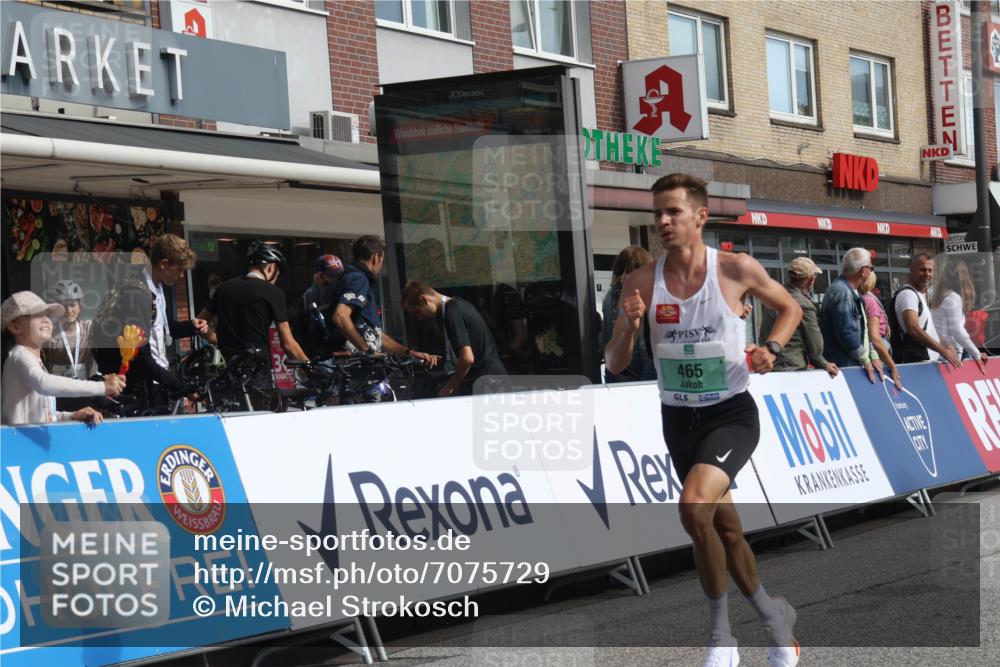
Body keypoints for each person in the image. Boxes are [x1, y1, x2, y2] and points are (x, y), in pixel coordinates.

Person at [605, 173, 803, 667]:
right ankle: (774, 618)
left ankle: (721, 638)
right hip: (679, 420)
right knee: (724, 530)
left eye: (673, 212)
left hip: (731, 413)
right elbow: (614, 362)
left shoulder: (735, 269)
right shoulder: (640, 281)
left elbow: (790, 307)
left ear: (700, 216)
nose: (663, 222)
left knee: (694, 508)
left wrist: (772, 349)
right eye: (657, 214)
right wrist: (629, 327)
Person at [2, 291, 125, 426]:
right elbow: (44, 383)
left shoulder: (33, 361)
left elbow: (45, 414)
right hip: (19, 446)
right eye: (36, 314)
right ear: (14, 326)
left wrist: (71, 415)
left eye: (47, 315)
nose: (46, 320)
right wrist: (102, 386)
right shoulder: (19, 356)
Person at [198, 241, 308, 368]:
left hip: (229, 370)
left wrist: (220, 341)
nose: (276, 279)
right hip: (257, 372)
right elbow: (288, 343)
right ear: (271, 267)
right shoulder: (274, 292)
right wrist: (310, 366)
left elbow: (199, 323)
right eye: (277, 274)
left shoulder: (224, 288)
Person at [331, 235, 437, 366]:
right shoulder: (358, 279)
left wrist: (409, 352)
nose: (381, 267)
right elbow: (340, 316)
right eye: (382, 261)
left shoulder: (352, 278)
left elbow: (376, 336)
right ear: (376, 257)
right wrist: (367, 352)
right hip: (357, 368)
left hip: (361, 365)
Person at [402, 280, 505, 396]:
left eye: (417, 312)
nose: (420, 317)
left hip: (488, 382)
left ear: (424, 299)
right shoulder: (458, 305)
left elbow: (467, 358)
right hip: (490, 379)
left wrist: (450, 386)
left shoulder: (452, 311)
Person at [758, 257, 838, 378]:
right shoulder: (803, 305)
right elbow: (816, 348)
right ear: (811, 280)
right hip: (792, 370)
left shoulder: (775, 296)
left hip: (769, 367)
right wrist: (822, 362)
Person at [143, 234, 209, 371]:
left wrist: (192, 325)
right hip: (146, 379)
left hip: (159, 373)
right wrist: (173, 384)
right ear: (164, 264)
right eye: (180, 270)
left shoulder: (160, 287)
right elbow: (140, 353)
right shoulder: (138, 291)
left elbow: (168, 328)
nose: (181, 276)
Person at [817, 248, 883, 384]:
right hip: (845, 367)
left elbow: (862, 330)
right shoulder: (842, 292)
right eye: (871, 267)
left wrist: (872, 354)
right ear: (863, 270)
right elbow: (845, 331)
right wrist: (865, 359)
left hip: (850, 364)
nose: (871, 271)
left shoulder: (850, 291)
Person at [890, 254, 961, 368]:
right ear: (911, 270)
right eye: (922, 270)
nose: (927, 274)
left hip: (925, 361)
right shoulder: (908, 295)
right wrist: (943, 350)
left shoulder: (918, 295)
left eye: (930, 270)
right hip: (915, 363)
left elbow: (927, 328)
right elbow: (913, 329)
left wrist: (945, 343)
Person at [600, 246, 656, 383]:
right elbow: (606, 340)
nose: (625, 276)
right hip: (622, 374)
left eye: (632, 271)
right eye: (621, 271)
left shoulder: (656, 299)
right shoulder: (611, 300)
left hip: (643, 374)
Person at [930, 256, 987, 373]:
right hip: (952, 354)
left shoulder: (939, 297)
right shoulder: (953, 298)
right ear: (963, 277)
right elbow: (958, 331)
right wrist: (976, 354)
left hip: (940, 352)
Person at [294, 254, 346, 358]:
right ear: (319, 275)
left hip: (342, 347)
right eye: (332, 275)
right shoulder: (309, 296)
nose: (335, 279)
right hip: (321, 351)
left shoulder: (341, 287)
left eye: (338, 275)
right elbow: (300, 328)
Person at [859, 270, 902, 390]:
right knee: (883, 378)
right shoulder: (870, 301)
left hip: (873, 346)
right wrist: (892, 367)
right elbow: (874, 335)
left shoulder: (862, 298)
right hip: (878, 346)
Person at [43, 280, 94, 380]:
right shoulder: (49, 333)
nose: (69, 310)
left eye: (72, 305)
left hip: (85, 390)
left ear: (80, 307)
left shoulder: (88, 328)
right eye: (64, 306)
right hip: (58, 391)